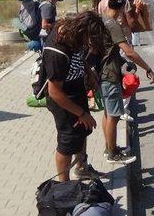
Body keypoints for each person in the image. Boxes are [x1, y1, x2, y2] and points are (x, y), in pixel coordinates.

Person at [43, 11, 108, 182]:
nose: (89, 44)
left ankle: (81, 168)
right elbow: (54, 92)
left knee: (82, 131)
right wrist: (81, 113)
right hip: (63, 99)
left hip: (77, 89)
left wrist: (89, 73)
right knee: (67, 141)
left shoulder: (72, 34)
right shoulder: (56, 52)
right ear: (81, 32)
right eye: (88, 39)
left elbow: (79, 56)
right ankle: (64, 186)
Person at [100, 0, 154, 164]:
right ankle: (112, 153)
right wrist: (147, 68)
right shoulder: (113, 24)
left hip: (103, 71)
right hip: (109, 74)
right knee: (114, 115)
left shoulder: (101, 18)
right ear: (121, 7)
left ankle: (110, 147)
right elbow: (129, 52)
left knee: (108, 114)